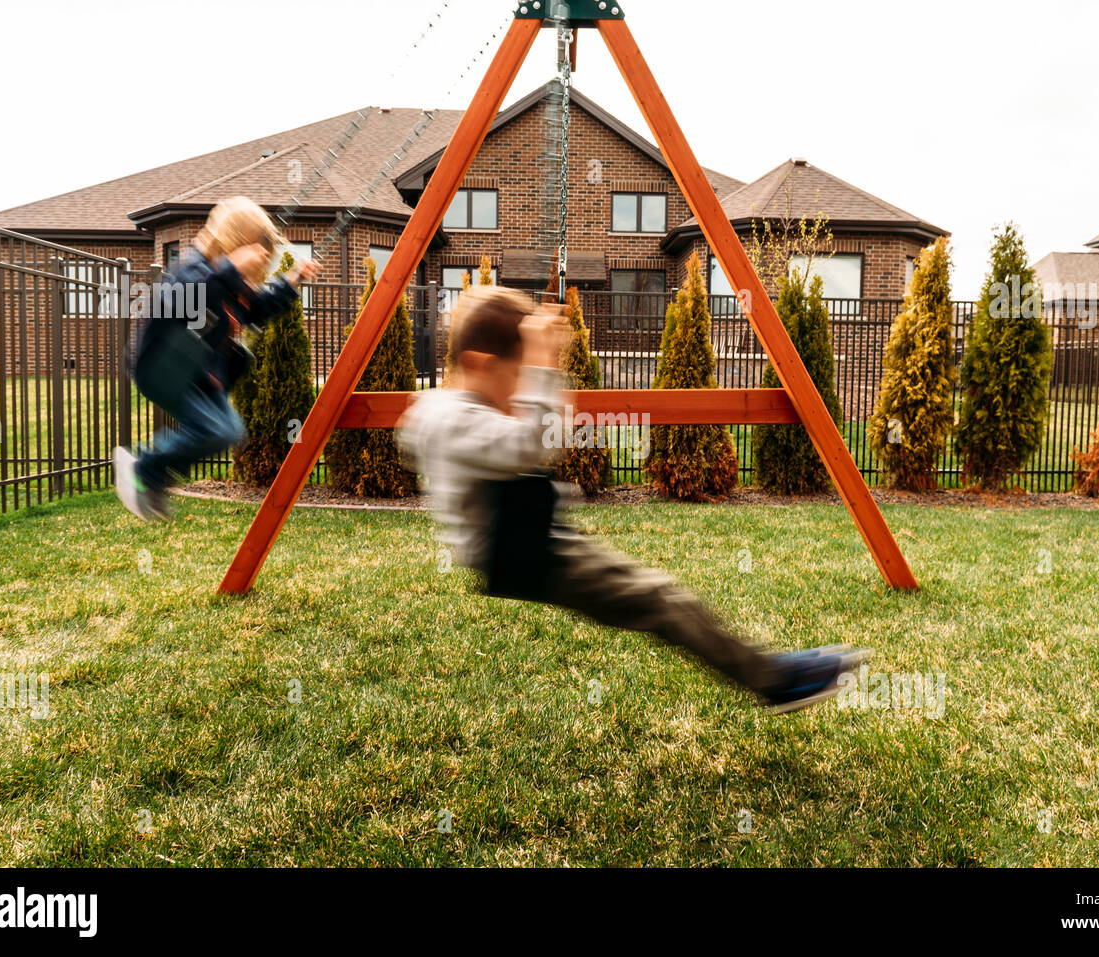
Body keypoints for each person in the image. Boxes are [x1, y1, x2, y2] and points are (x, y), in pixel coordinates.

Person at [396, 286, 869, 713]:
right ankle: (775, 681)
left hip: (530, 539)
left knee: (660, 598)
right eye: (515, 378)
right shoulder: (450, 418)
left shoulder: (446, 408)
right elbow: (528, 443)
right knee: (662, 601)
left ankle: (770, 672)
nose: (522, 392)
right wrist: (540, 363)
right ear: (480, 364)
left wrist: (538, 365)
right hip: (519, 553)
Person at [114, 197, 319, 519]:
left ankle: (154, 476)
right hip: (162, 365)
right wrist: (230, 270)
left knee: (230, 430)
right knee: (215, 429)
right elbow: (182, 300)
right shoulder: (194, 269)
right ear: (236, 242)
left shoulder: (234, 289)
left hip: (196, 375)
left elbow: (259, 307)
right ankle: (142, 469)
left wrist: (293, 280)